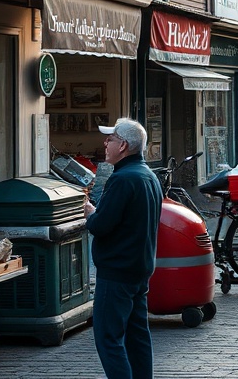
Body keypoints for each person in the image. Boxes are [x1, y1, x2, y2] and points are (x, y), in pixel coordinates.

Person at [84, 118, 163, 379]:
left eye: (111, 139)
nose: (106, 144)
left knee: (109, 339)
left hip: (117, 272)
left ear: (124, 146)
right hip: (139, 269)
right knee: (137, 337)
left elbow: (101, 226)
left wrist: (90, 213)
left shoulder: (122, 179)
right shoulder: (148, 176)